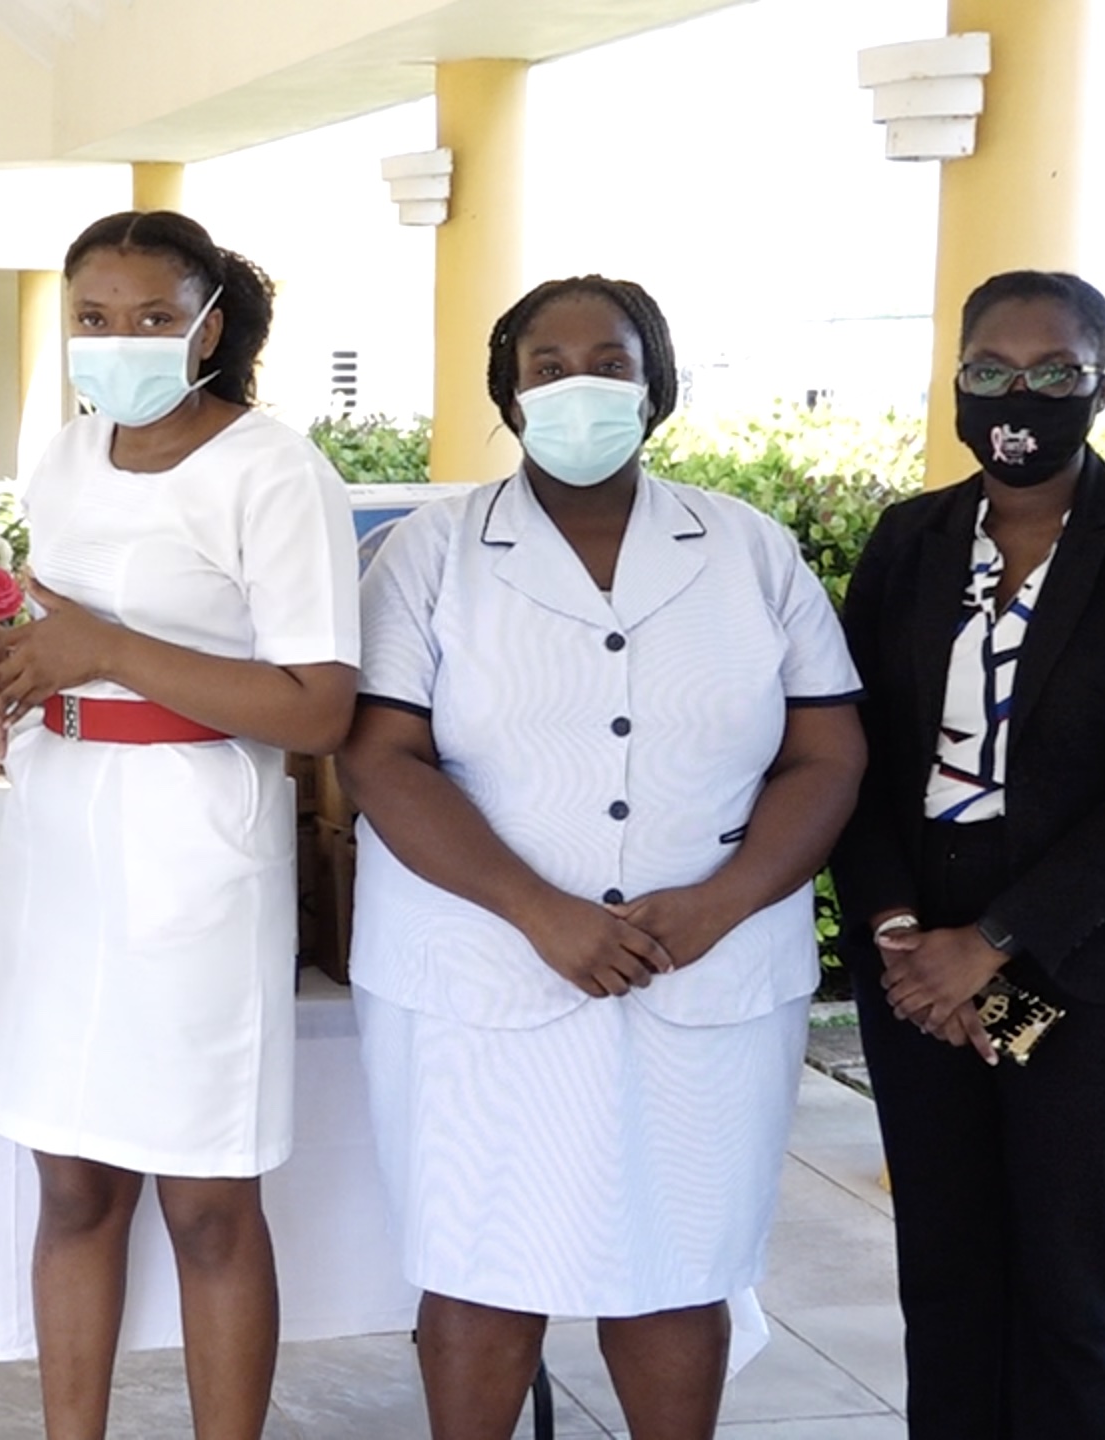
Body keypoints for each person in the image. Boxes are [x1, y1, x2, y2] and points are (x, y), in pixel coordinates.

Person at [338, 276, 867, 1440]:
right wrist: (539, 911)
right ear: (510, 391)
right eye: (545, 364)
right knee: (480, 1267)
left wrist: (723, 903)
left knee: (677, 1265)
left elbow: (827, 754)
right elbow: (381, 762)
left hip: (708, 976)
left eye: (610, 362)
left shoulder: (748, 549)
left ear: (655, 384)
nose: (579, 384)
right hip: (478, 977)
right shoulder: (427, 556)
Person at [0, 210, 359, 1440]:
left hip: (197, 847)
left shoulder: (271, 470)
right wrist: (13, 669)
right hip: (64, 836)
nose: (118, 339)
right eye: (92, 317)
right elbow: (60, 634)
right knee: (72, 1184)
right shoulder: (67, 458)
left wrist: (110, 649)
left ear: (209, 325)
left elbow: (319, 707)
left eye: (149, 316)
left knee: (206, 1200)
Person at [831, 271, 1105, 1439]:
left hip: (1087, 966)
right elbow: (849, 748)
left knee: (1067, 1277)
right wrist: (908, 941)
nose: (1020, 394)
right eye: (990, 372)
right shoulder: (908, 540)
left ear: (1099, 384)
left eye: (1053, 372)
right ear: (955, 380)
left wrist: (991, 948)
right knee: (947, 1270)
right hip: (916, 970)